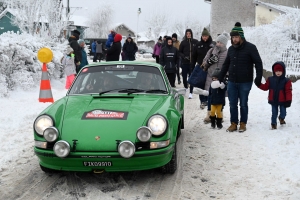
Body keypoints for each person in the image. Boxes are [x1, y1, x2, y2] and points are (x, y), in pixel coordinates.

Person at [218, 22, 263, 132]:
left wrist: (258, 77)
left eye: (236, 37)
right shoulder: (231, 49)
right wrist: (221, 76)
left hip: (245, 81)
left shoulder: (251, 48)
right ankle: (233, 123)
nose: (234, 39)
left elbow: (258, 63)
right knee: (232, 103)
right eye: (233, 37)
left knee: (243, 103)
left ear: (241, 37)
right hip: (232, 81)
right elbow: (226, 64)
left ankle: (243, 123)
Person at [201, 32, 229, 123]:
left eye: (220, 43)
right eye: (217, 42)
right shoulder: (211, 51)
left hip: (221, 78)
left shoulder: (227, 53)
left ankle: (219, 115)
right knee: (210, 96)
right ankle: (209, 115)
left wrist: (227, 75)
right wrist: (208, 62)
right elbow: (204, 61)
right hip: (210, 77)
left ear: (224, 44)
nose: (218, 44)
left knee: (220, 97)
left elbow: (229, 65)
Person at [256, 62, 292, 130]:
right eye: (277, 71)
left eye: (280, 71)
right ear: (274, 71)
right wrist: (259, 84)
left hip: (283, 100)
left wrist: (288, 100)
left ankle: (281, 118)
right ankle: (273, 124)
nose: (278, 72)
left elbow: (288, 91)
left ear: (283, 71)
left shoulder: (287, 81)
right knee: (274, 113)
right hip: (273, 100)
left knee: (283, 112)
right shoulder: (270, 79)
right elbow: (265, 87)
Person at [192, 28, 213, 106]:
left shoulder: (212, 44)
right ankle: (202, 101)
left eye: (206, 36)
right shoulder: (198, 44)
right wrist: (192, 67)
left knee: (209, 84)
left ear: (208, 36)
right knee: (201, 84)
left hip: (210, 67)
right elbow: (194, 56)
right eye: (203, 36)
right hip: (201, 67)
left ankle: (209, 100)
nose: (205, 37)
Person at [179, 29, 198, 98]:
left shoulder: (195, 42)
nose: (188, 35)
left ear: (191, 34)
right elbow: (179, 52)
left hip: (192, 63)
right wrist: (184, 57)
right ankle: (186, 87)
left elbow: (198, 50)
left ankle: (191, 92)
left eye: (189, 33)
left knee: (191, 77)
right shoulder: (183, 42)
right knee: (184, 77)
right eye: (187, 34)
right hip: (185, 63)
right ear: (186, 34)